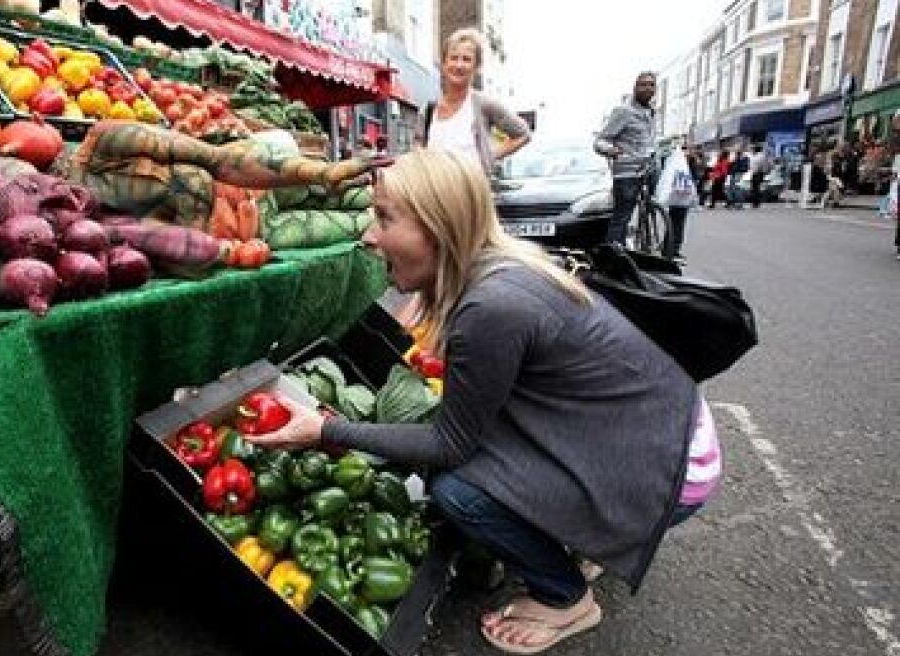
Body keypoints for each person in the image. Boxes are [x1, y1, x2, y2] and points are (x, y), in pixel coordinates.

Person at [246, 149, 722, 655]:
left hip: (673, 472)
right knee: (485, 459)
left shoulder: (490, 306)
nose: (367, 234)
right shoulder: (501, 269)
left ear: (438, 226)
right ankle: (587, 534)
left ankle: (567, 599)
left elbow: (449, 444)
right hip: (663, 438)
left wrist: (325, 429)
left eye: (384, 217)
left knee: (459, 489)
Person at [423, 27, 531, 174]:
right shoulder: (429, 110)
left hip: (473, 193)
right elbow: (418, 152)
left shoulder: (483, 104)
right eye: (453, 58)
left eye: (466, 59)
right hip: (433, 195)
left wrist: (487, 156)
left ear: (476, 66)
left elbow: (523, 134)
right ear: (444, 63)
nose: (459, 65)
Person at [594, 72, 658, 245]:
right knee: (622, 217)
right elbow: (600, 141)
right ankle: (613, 254)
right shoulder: (623, 111)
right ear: (635, 87)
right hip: (627, 172)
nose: (648, 88)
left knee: (652, 207)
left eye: (651, 85)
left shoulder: (651, 112)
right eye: (643, 84)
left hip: (647, 168)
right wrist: (613, 151)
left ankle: (648, 245)